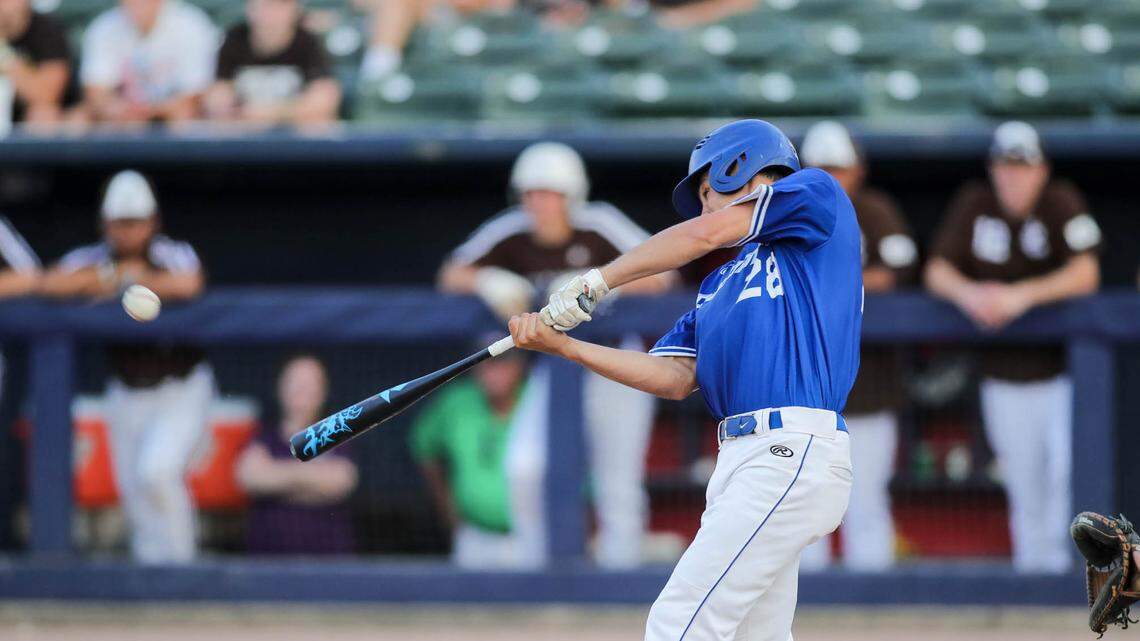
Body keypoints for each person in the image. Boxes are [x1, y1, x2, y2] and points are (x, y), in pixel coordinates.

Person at [508, 119, 859, 641]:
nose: (703, 207)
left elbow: (705, 233)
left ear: (738, 166)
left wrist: (597, 280)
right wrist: (565, 346)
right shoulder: (719, 283)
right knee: (755, 635)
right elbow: (672, 376)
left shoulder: (814, 195)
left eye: (705, 190)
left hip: (793, 447)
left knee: (680, 622)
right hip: (741, 461)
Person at [439, 141, 676, 568]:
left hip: (616, 367)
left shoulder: (599, 224)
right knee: (525, 469)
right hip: (557, 366)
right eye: (531, 194)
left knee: (617, 485)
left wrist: (601, 282)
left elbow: (663, 275)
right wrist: (487, 280)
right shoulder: (511, 230)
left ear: (572, 195)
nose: (540, 204)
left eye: (550, 194)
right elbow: (452, 273)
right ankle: (538, 572)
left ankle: (620, 584)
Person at [925, 121, 1101, 574]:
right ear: (993, 168)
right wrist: (971, 295)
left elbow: (1086, 273)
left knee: (1067, 475)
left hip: (1063, 375)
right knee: (1023, 485)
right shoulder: (974, 203)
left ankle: (1072, 577)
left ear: (1042, 169)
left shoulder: (1061, 200)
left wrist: (1020, 296)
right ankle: (1034, 582)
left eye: (1023, 167)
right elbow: (937, 270)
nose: (1014, 177)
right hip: (1002, 375)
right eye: (1006, 166)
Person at [39, 170, 213, 564]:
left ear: (153, 222)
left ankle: (180, 571)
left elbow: (189, 283)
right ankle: (150, 579)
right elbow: (50, 282)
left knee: (157, 473)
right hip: (126, 392)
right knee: (134, 489)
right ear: (105, 222)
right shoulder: (93, 260)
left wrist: (134, 280)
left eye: (136, 222)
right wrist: (113, 277)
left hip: (180, 388)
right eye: (121, 222)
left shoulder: (172, 253)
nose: (128, 231)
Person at [797, 121, 917, 572]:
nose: (831, 178)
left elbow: (900, 270)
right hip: (804, 385)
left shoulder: (874, 209)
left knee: (866, 497)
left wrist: (830, 286)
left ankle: (873, 609)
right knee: (804, 505)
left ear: (858, 170)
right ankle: (808, 612)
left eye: (839, 168)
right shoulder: (789, 212)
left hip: (870, 380)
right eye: (822, 168)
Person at [410, 340, 548, 569]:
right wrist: (449, 510)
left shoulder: (538, 400)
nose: (492, 371)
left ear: (520, 364)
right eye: (485, 363)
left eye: (503, 362)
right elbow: (424, 447)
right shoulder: (457, 401)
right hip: (474, 536)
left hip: (532, 538)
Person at [237, 355, 358, 554]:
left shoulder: (339, 435)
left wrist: (277, 476)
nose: (302, 391)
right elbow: (249, 478)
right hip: (269, 561)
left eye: (309, 384)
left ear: (323, 391)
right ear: (281, 388)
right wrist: (312, 477)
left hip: (327, 562)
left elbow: (341, 482)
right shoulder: (263, 438)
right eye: (295, 383)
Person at [204, 0, 340, 127]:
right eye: (265, 5)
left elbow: (324, 101)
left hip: (296, 137)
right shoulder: (235, 38)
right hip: (246, 134)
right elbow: (217, 96)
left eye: (278, 5)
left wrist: (272, 112)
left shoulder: (309, 42)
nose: (270, 14)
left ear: (294, 9)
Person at [79, 0, 218, 125]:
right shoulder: (104, 26)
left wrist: (152, 111)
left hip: (176, 122)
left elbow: (196, 94)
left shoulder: (191, 23)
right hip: (123, 124)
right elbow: (96, 91)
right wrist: (116, 109)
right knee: (79, 119)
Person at [0, 0, 72, 126]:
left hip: (24, 116)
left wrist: (4, 56)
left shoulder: (46, 29)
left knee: (44, 114)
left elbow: (47, 96)